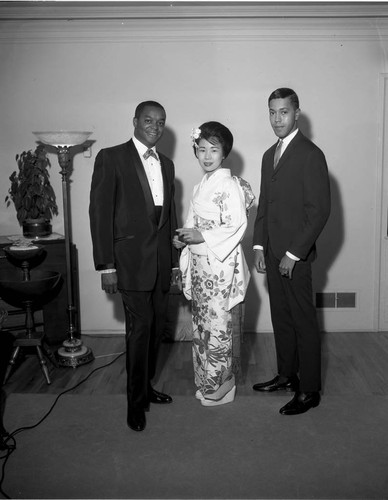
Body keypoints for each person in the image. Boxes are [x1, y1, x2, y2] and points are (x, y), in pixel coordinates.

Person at [89, 100, 178, 432]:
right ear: (135, 122)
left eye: (160, 122)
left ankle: (146, 387)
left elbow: (170, 219)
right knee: (139, 331)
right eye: (148, 120)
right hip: (128, 264)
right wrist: (106, 266)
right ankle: (134, 403)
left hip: (160, 264)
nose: (154, 126)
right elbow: (99, 214)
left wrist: (173, 266)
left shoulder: (167, 165)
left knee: (156, 332)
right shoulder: (111, 158)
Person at [252, 88, 331, 415]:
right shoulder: (269, 153)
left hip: (294, 258)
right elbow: (264, 206)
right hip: (270, 253)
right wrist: (259, 245)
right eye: (272, 112)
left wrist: (293, 254)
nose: (277, 119)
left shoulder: (311, 154)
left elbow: (319, 211)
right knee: (281, 318)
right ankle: (287, 375)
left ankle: (309, 390)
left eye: (283, 112)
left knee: (303, 322)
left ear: (297, 113)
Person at [174, 121, 254, 406]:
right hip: (200, 265)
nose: (207, 156)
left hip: (219, 266)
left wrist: (200, 235)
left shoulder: (229, 185)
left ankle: (223, 384)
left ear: (224, 153)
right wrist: (184, 238)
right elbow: (191, 224)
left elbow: (236, 225)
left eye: (214, 150)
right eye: (201, 149)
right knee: (201, 326)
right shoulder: (201, 186)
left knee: (219, 326)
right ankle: (206, 381)